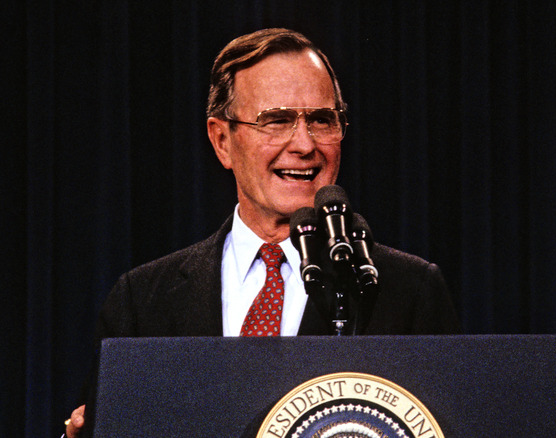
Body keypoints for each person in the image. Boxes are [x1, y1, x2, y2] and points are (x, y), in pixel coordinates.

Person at [64, 28, 460, 438]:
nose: (304, 144)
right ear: (222, 141)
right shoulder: (141, 301)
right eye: (277, 121)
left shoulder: (410, 292)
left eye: (322, 120)